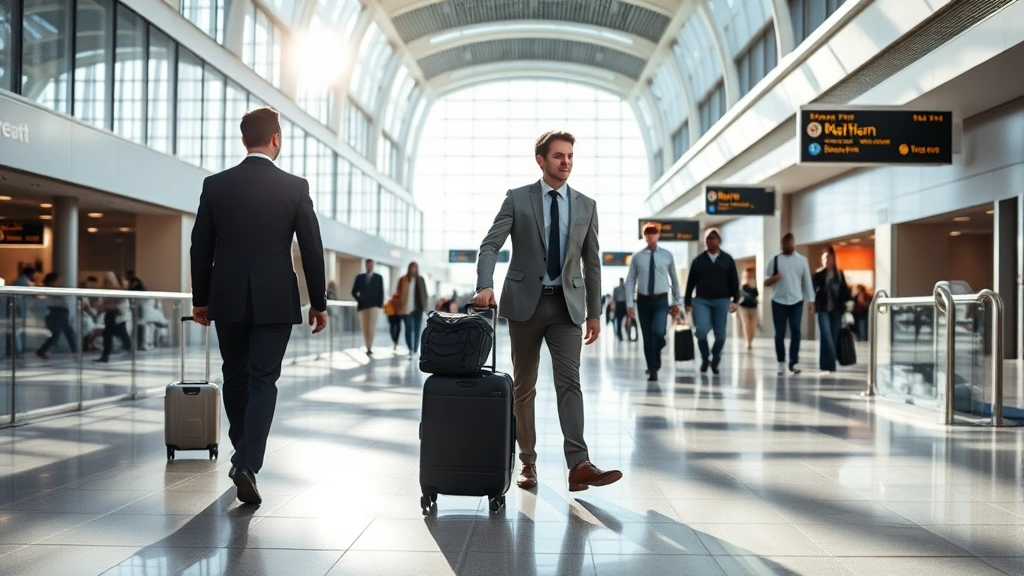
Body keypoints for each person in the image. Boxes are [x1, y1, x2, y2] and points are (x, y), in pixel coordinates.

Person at [190, 106, 328, 505]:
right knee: (263, 379)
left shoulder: (216, 185)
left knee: (233, 377)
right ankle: (248, 462)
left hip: (228, 296)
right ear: (276, 139)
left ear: (243, 140)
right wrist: (317, 302)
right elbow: (312, 249)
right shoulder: (294, 187)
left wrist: (202, 298)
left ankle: (242, 454)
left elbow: (201, 246)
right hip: (274, 299)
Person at [472, 130, 622, 493]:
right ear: (541, 159)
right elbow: (490, 244)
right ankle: (528, 463)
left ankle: (579, 465)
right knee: (524, 387)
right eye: (558, 156)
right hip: (525, 304)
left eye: (570, 156)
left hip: (566, 306)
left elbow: (592, 263)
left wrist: (594, 312)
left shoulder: (586, 205)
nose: (566, 162)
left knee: (570, 383)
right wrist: (484, 284)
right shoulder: (518, 199)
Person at [625, 222, 681, 382]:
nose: (649, 235)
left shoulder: (667, 255)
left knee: (658, 332)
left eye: (653, 232)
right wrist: (630, 303)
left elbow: (675, 281)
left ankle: (660, 346)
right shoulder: (637, 257)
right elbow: (630, 281)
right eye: (646, 233)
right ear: (644, 236)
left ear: (657, 235)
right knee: (647, 337)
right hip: (643, 301)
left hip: (661, 300)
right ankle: (653, 369)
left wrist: (677, 302)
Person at [683, 228, 739, 375]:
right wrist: (687, 301)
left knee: (720, 335)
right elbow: (690, 283)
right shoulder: (698, 261)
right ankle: (705, 357)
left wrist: (736, 300)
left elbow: (734, 281)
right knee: (701, 331)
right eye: (707, 238)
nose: (709, 241)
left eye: (712, 238)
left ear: (718, 240)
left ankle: (715, 357)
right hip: (702, 301)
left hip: (722, 301)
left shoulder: (727, 259)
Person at [763, 233, 815, 375]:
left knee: (796, 331)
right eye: (785, 243)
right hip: (778, 301)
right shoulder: (774, 260)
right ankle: (781, 362)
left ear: (794, 243)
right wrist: (775, 278)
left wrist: (811, 300)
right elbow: (765, 282)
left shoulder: (802, 261)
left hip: (796, 301)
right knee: (779, 333)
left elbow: (807, 282)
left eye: (790, 243)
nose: (788, 245)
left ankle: (793, 362)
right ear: (782, 245)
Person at [813, 246, 851, 373]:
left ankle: (827, 364)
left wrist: (848, 300)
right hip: (823, 309)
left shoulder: (839, 275)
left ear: (834, 259)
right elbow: (813, 291)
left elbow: (845, 292)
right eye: (824, 258)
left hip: (836, 311)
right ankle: (830, 365)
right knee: (826, 336)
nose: (826, 261)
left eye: (828, 258)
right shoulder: (818, 275)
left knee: (833, 337)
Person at [35, 272, 77, 359]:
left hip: (60, 313)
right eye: (58, 280)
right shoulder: (51, 290)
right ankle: (74, 351)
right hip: (57, 313)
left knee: (58, 335)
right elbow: (51, 302)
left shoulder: (57, 290)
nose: (60, 282)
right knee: (66, 333)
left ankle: (42, 350)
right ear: (52, 281)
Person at [95, 271, 132, 362]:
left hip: (118, 316)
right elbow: (102, 304)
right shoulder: (105, 292)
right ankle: (105, 355)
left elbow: (121, 305)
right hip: (110, 315)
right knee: (108, 335)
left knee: (122, 335)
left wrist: (108, 305)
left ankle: (128, 350)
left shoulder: (119, 291)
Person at [351, 259, 384, 356]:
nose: (369, 266)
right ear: (366, 265)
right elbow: (354, 291)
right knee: (365, 327)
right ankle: (367, 346)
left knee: (372, 327)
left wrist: (379, 305)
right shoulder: (360, 277)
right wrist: (359, 299)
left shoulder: (378, 278)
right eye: (368, 265)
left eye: (371, 265)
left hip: (374, 306)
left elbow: (381, 292)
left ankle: (370, 346)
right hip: (363, 306)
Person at [395, 261, 429, 356]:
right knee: (409, 329)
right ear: (409, 268)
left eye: (415, 267)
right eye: (412, 267)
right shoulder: (403, 279)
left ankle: (414, 349)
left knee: (417, 329)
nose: (414, 269)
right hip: (405, 309)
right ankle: (410, 348)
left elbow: (425, 294)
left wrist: (425, 307)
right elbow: (398, 293)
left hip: (417, 309)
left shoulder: (420, 280)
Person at [738, 268, 759, 350]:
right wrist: (743, 286)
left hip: (753, 307)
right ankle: (748, 343)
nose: (747, 277)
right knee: (746, 324)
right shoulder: (741, 285)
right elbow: (738, 294)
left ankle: (751, 341)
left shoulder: (753, 284)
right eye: (746, 275)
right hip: (744, 307)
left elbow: (756, 294)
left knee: (753, 326)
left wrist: (753, 287)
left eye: (749, 275)